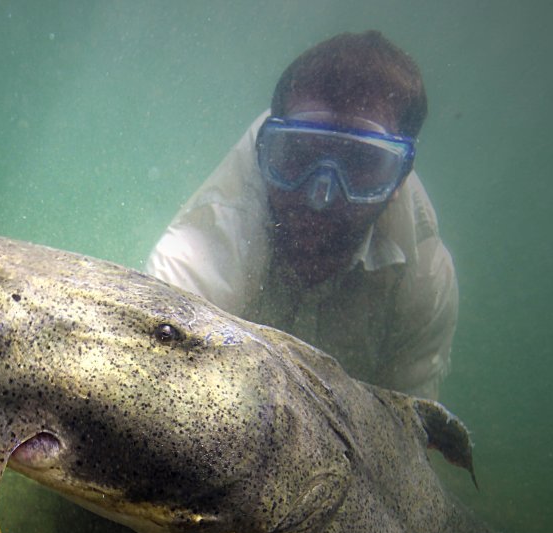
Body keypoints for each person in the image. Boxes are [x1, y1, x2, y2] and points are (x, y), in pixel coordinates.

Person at [146, 31, 458, 400]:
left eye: (359, 163)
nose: (320, 196)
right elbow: (157, 386)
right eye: (298, 154)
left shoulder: (424, 276)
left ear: (398, 180)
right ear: (267, 153)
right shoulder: (209, 235)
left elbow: (411, 430)